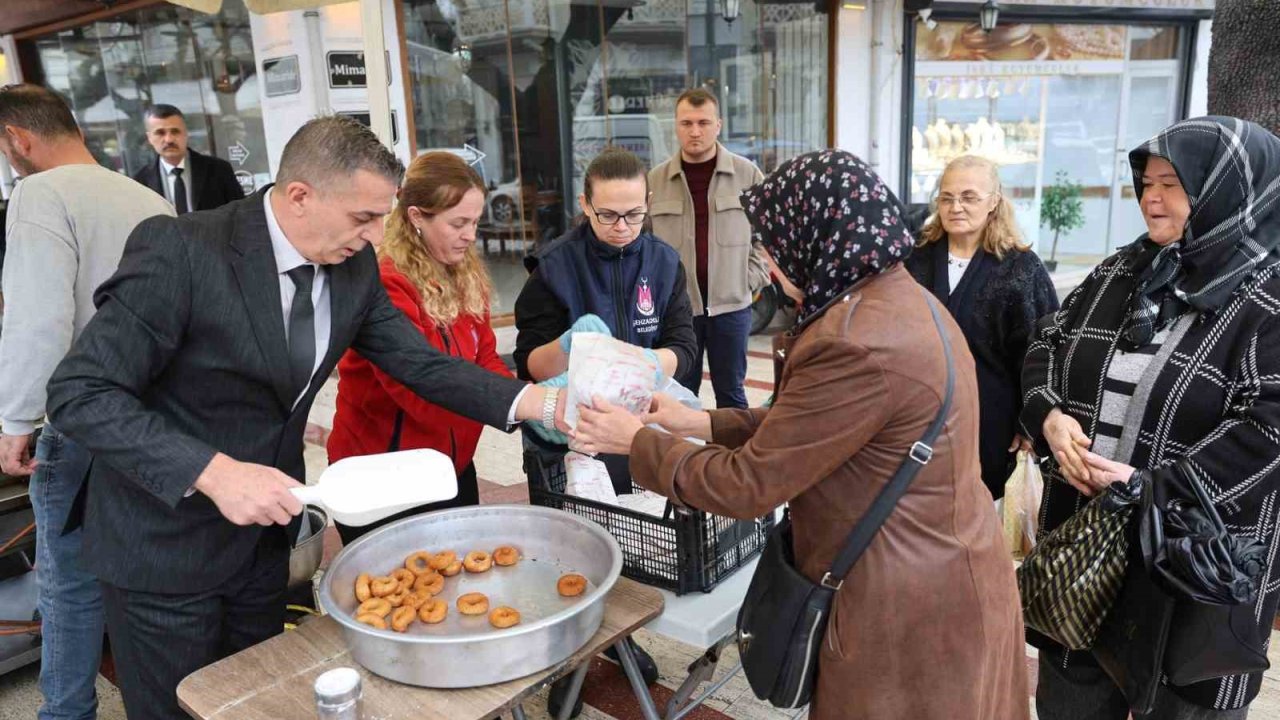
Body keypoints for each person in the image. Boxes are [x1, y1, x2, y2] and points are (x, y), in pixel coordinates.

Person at [44, 116, 563, 720]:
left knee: (263, 703)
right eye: (363, 218)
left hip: (264, 547)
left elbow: (421, 365)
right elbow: (81, 391)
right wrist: (211, 472)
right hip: (163, 548)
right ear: (300, 196)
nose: (375, 237)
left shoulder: (353, 266)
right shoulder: (183, 249)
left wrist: (536, 402)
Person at [571, 150, 1029, 720]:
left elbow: (749, 485)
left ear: (816, 237)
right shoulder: (897, 297)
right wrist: (702, 423)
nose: (769, 260)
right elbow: (824, 427)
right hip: (938, 572)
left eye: (774, 242)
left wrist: (636, 442)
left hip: (904, 603)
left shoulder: (855, 339)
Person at [1021, 116, 1280, 719]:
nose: (1150, 198)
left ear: (1225, 191)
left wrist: (1149, 489)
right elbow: (1047, 342)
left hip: (1194, 567)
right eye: (1145, 183)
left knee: (1183, 703)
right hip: (1089, 557)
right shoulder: (1123, 269)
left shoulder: (1267, 298)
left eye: (1172, 183)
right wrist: (1050, 418)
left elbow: (1269, 431)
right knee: (1072, 699)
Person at [0, 83, 174, 720]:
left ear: (19, 139)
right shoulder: (146, 196)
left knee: (67, 581)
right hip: (154, 418)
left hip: (80, 419)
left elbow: (38, 319)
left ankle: (67, 712)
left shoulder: (39, 192)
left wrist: (16, 419)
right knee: (139, 576)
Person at [512, 147, 696, 718]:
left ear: (649, 205)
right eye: (608, 215)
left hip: (636, 430)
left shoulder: (664, 264)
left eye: (634, 215)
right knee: (572, 559)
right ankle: (571, 663)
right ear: (585, 206)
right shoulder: (554, 267)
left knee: (630, 547)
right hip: (566, 438)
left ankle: (621, 639)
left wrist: (644, 365)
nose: (622, 228)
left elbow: (686, 347)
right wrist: (571, 347)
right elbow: (527, 365)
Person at [327, 152, 511, 543]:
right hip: (384, 478)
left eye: (476, 222)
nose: (471, 235)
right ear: (416, 217)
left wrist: (520, 403)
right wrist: (518, 405)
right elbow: (423, 392)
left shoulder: (462, 270)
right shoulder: (387, 285)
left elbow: (486, 356)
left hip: (450, 465)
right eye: (458, 223)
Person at [905, 154, 1058, 498]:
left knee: (976, 511)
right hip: (915, 416)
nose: (955, 206)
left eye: (969, 197)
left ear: (994, 202)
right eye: (947, 197)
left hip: (989, 421)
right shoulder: (914, 258)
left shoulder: (1021, 268)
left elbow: (1044, 350)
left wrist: (1030, 420)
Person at [648, 88, 769, 407]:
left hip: (731, 309)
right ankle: (683, 458)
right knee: (680, 398)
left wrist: (749, 280)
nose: (695, 131)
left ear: (719, 125)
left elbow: (769, 238)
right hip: (677, 313)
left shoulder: (747, 175)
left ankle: (735, 458)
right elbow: (643, 246)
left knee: (731, 394)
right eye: (686, 123)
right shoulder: (655, 181)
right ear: (675, 126)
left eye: (703, 122)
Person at [131, 104, 244, 213]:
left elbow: (240, 213)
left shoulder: (219, 170)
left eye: (175, 131)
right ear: (149, 138)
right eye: (160, 133)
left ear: (186, 133)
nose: (169, 139)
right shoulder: (140, 182)